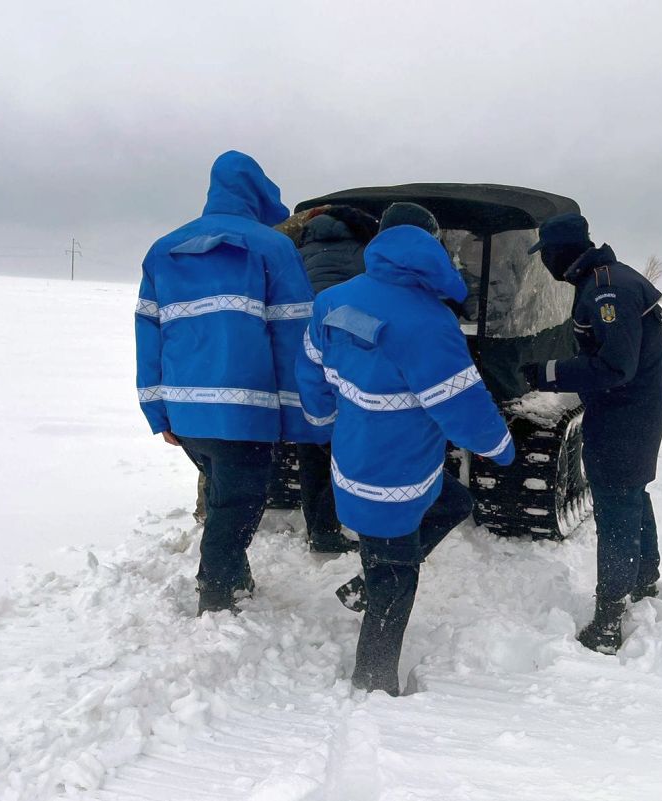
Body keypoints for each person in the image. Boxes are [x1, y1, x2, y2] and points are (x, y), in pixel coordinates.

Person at [296, 202, 515, 696]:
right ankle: (373, 680)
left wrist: (323, 419)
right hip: (396, 480)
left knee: (455, 501)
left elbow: (309, 369)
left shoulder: (333, 300)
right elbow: (462, 405)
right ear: (432, 246)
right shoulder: (429, 322)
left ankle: (362, 587)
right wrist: (500, 448)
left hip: (354, 461)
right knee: (397, 578)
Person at [135, 150, 325, 615]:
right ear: (258, 193)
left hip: (185, 414)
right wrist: (302, 415)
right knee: (236, 507)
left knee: (225, 500)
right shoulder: (272, 248)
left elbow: (148, 337)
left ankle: (234, 578)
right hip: (247, 412)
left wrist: (157, 410)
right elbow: (292, 338)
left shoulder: (163, 249)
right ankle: (216, 596)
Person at [521, 212, 662, 655]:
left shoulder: (609, 289)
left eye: (544, 253)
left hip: (625, 417)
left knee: (617, 504)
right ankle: (644, 579)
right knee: (630, 494)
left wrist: (547, 373)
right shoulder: (603, 280)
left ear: (560, 250)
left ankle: (609, 619)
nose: (544, 262)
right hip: (628, 413)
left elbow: (615, 366)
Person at [292, 205, 381, 553]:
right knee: (351, 444)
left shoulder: (297, 253)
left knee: (312, 446)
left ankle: (320, 528)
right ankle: (350, 520)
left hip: (302, 355)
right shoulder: (366, 254)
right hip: (350, 358)